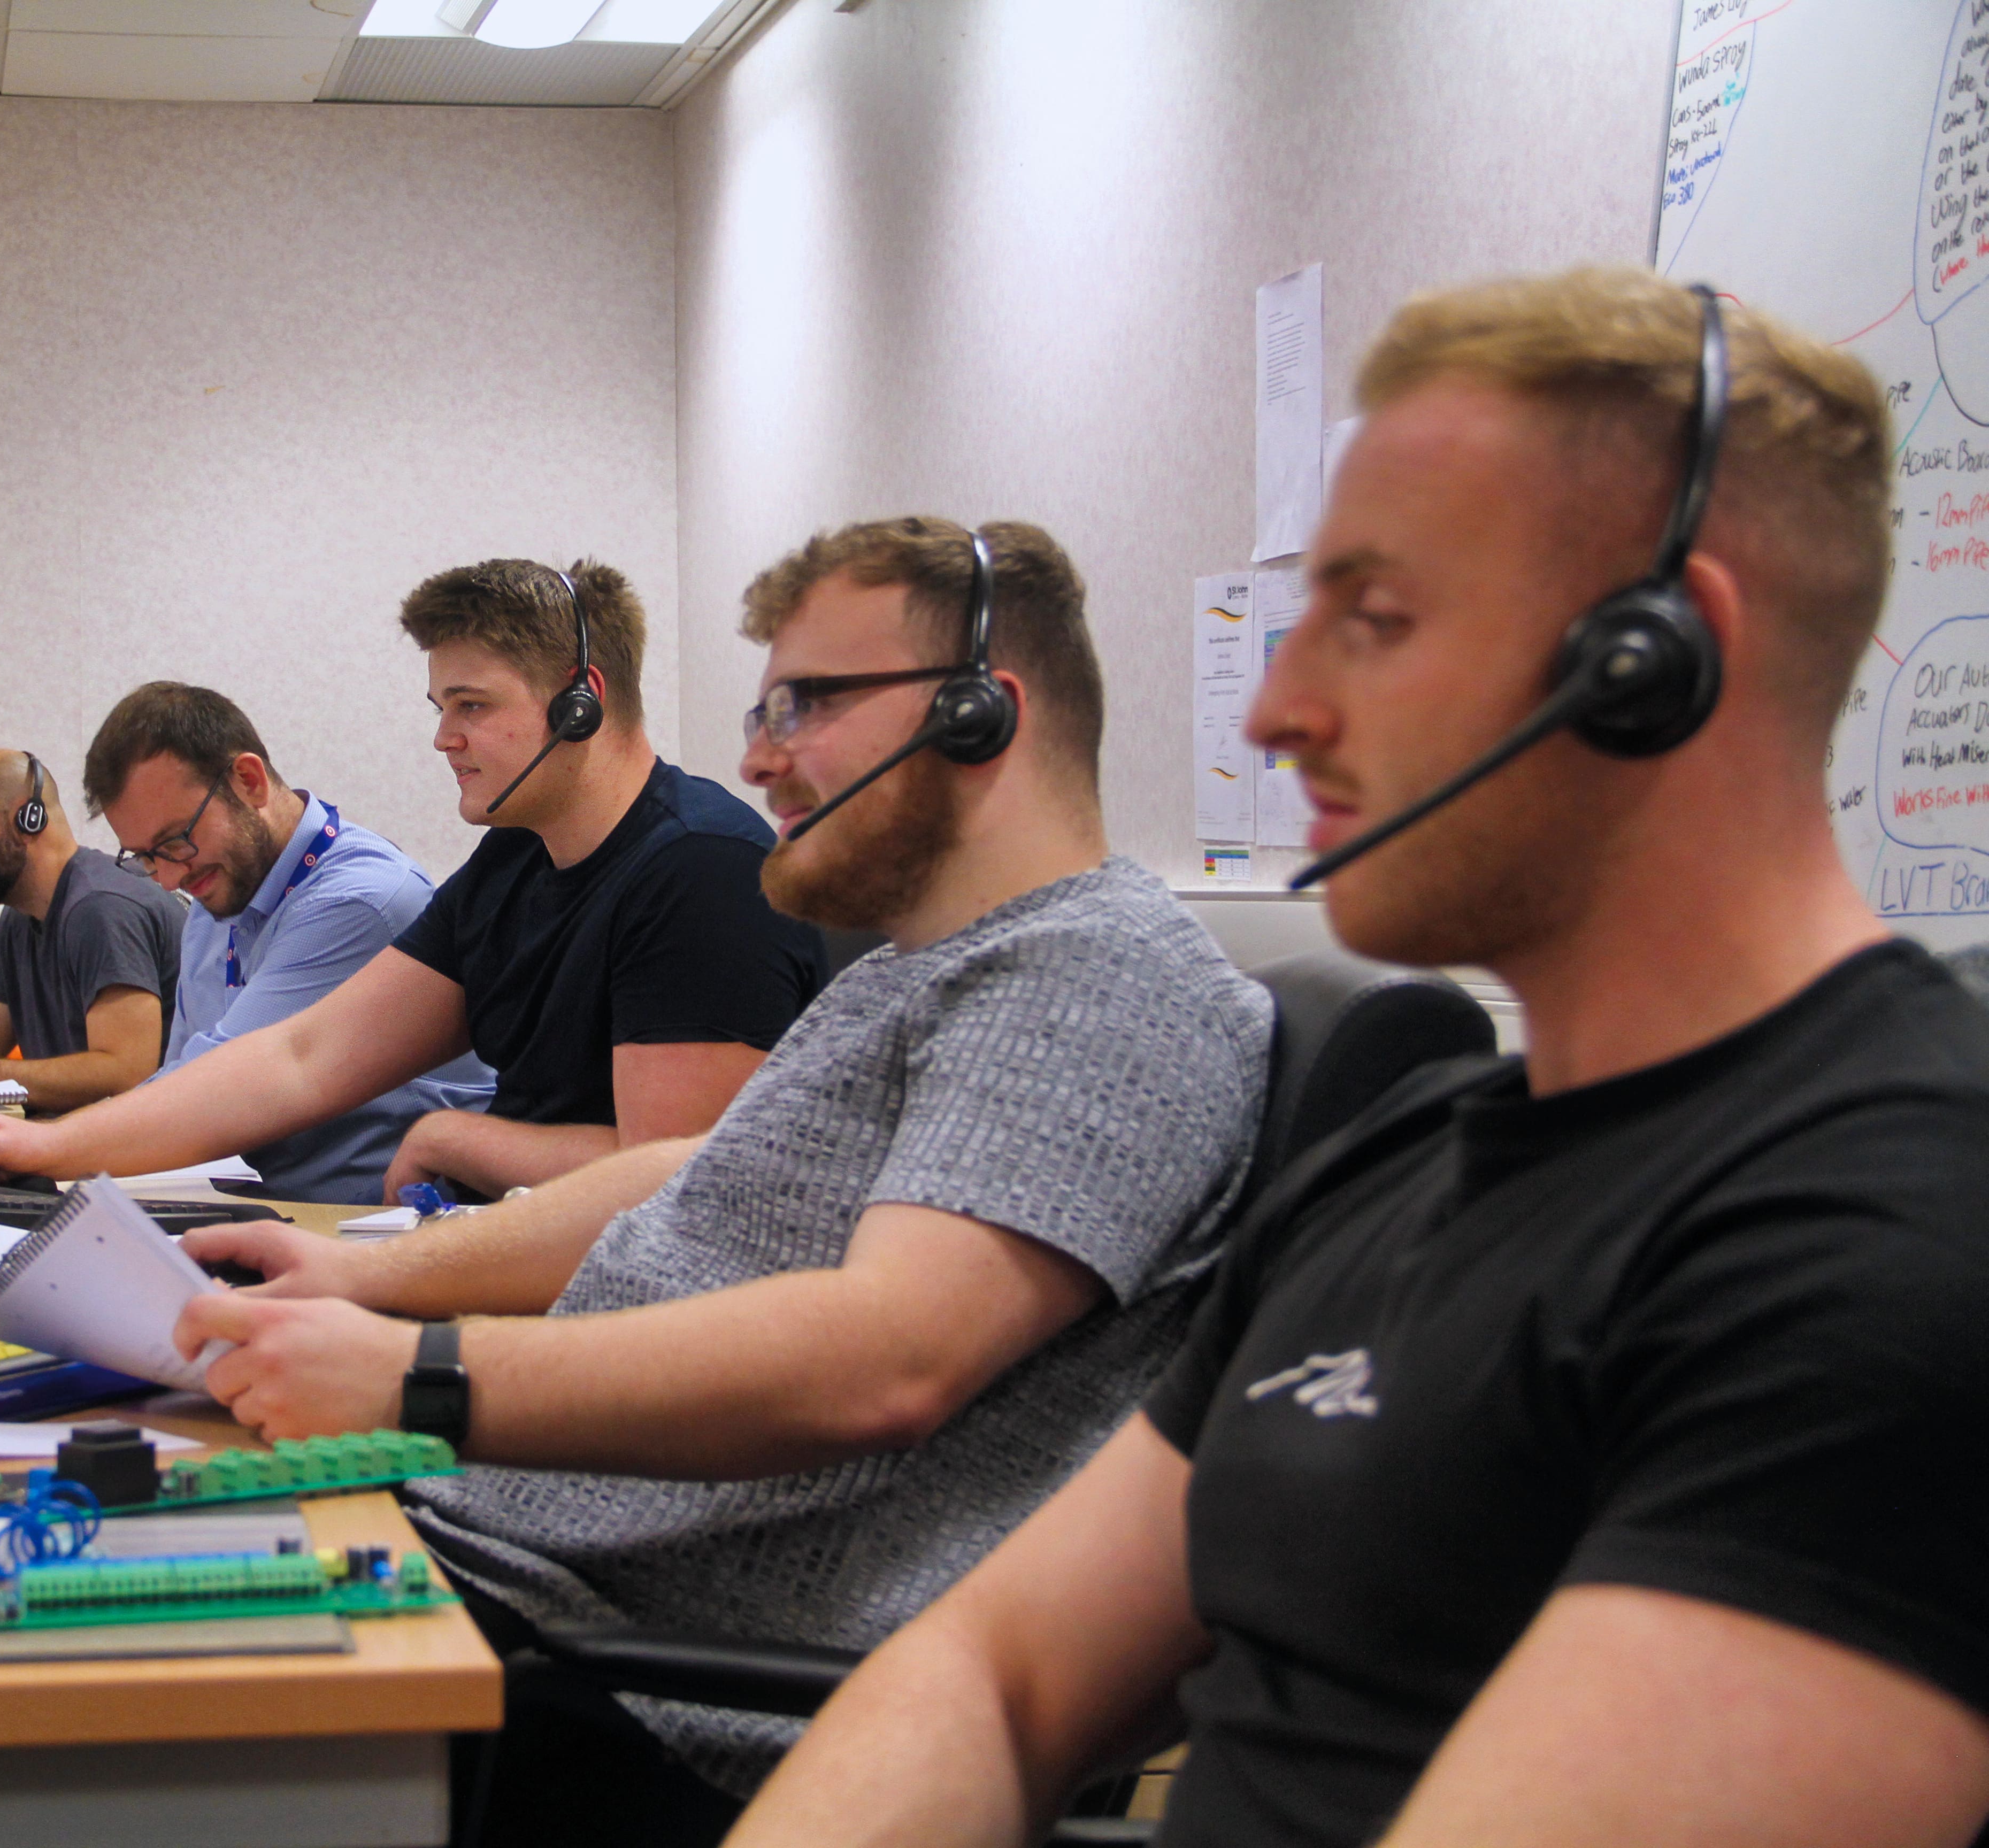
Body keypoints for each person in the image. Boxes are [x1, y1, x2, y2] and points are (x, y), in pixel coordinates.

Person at [724, 271, 1989, 1848]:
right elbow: (998, 1671)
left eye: (1376, 621)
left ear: (1657, 658)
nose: (1277, 710)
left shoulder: (1886, 1242)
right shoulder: (1403, 1163)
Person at [167, 518, 1274, 1845]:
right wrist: (360, 1272)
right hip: (511, 1564)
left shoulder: (1092, 979)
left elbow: (889, 1354)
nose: (755, 754)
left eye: (808, 703)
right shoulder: (912, 969)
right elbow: (692, 1170)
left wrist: (418, 1373)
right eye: (761, 708)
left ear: (984, 712)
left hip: (621, 1671)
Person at [0, 558, 828, 1198]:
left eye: (471, 706)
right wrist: (42, 1145)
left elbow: (672, 1179)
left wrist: (451, 1139)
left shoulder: (696, 872)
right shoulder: (518, 857)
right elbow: (299, 1059)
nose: (444, 738)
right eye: (441, 709)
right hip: (498, 1251)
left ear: (579, 700)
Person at [82, 681, 496, 1204]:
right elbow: (181, 1080)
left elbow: (217, 1092)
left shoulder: (358, 902)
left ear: (249, 781)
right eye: (145, 857)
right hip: (274, 1213)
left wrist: (42, 1149)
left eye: (173, 842)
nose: (167, 879)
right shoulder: (216, 896)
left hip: (373, 1230)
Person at [0, 748, 185, 1113]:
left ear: (29, 819)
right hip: (91, 1151)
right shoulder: (21, 919)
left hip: (157, 1160)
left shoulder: (101, 908)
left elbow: (126, 1073)